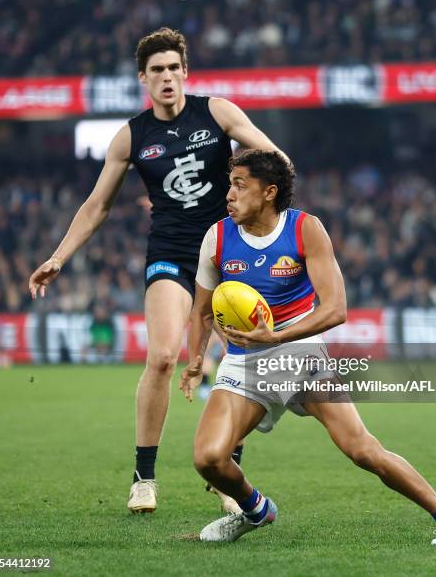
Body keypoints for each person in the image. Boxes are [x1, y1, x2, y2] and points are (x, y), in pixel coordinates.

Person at [28, 28, 287, 514]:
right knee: (165, 356)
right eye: (157, 71)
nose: (167, 77)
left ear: (185, 72)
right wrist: (58, 257)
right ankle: (144, 478)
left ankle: (225, 470)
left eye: (173, 68)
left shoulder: (218, 113)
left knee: (241, 364)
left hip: (227, 254)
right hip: (170, 251)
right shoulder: (131, 135)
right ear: (143, 79)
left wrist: (267, 204)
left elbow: (274, 160)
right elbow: (96, 206)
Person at [180, 149, 436, 547]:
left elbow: (336, 308)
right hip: (243, 362)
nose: (229, 195)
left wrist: (276, 337)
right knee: (209, 460)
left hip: (301, 354)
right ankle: (256, 510)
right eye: (229, 185)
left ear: (269, 192)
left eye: (239, 185)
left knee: (361, 449)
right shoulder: (217, 238)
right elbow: (201, 311)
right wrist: (196, 360)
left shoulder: (305, 229)